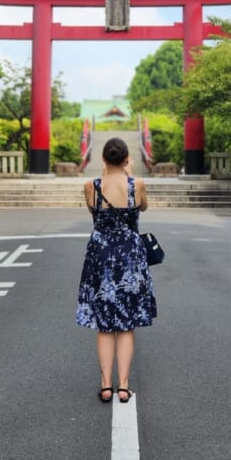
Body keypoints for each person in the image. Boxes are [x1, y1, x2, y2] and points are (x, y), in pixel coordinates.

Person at [76, 137, 157, 403]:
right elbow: (142, 207)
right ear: (125, 159)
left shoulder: (91, 187)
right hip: (130, 257)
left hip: (100, 257)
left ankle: (105, 385)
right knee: (126, 324)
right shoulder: (138, 185)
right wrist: (129, 174)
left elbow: (93, 211)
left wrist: (107, 176)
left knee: (104, 324)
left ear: (103, 159)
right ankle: (123, 386)